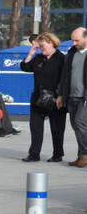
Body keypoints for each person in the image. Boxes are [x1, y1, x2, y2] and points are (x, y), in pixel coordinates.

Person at [20, 32, 66, 162]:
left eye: (42, 45)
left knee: (57, 127)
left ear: (52, 43)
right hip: (38, 97)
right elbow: (25, 67)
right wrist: (31, 53)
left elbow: (65, 79)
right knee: (35, 127)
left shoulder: (61, 59)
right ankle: (34, 154)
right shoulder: (39, 58)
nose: (41, 48)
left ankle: (57, 154)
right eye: (39, 46)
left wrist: (61, 95)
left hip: (56, 97)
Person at [56, 26, 87, 167]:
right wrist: (61, 94)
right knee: (76, 125)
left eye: (77, 40)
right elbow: (65, 76)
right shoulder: (71, 53)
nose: (74, 43)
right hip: (72, 96)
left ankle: (84, 155)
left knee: (80, 124)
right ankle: (82, 155)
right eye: (72, 40)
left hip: (84, 97)